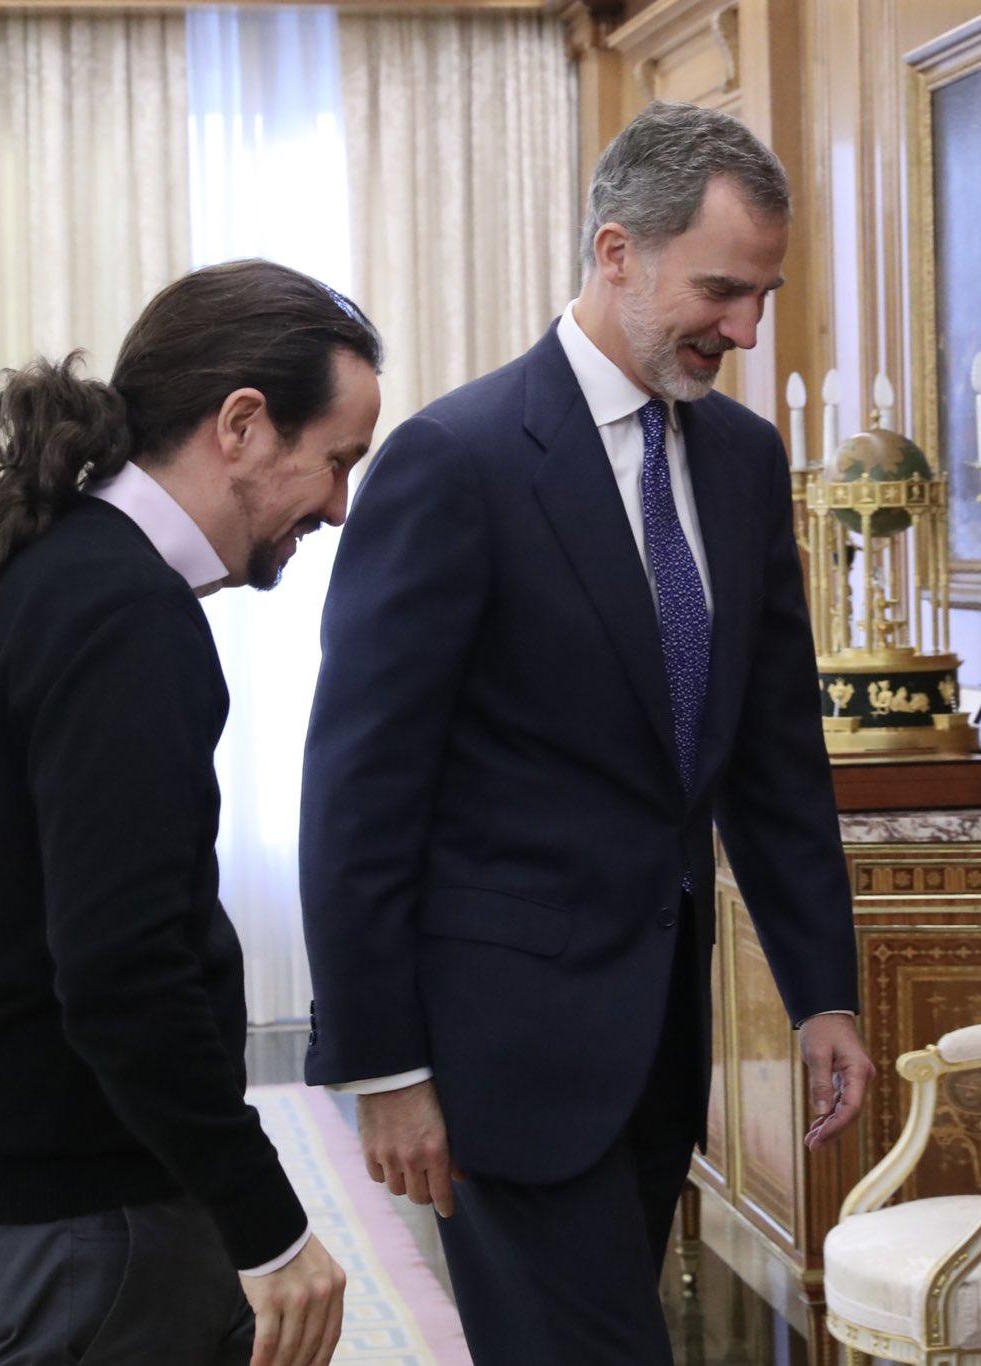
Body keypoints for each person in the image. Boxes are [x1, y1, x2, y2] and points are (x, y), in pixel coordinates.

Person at [299, 102, 876, 1363]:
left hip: (660, 1038)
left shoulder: (737, 459)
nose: (746, 328)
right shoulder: (455, 460)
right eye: (722, 289)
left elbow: (773, 753)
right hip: (497, 1045)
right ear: (615, 254)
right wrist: (382, 1061)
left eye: (762, 294)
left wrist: (821, 988)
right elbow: (359, 786)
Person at [0, 259, 381, 1366]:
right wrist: (269, 1226)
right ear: (241, 423)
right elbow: (124, 971)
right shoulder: (126, 616)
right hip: (81, 1237)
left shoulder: (23, 564)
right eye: (335, 461)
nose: (337, 507)